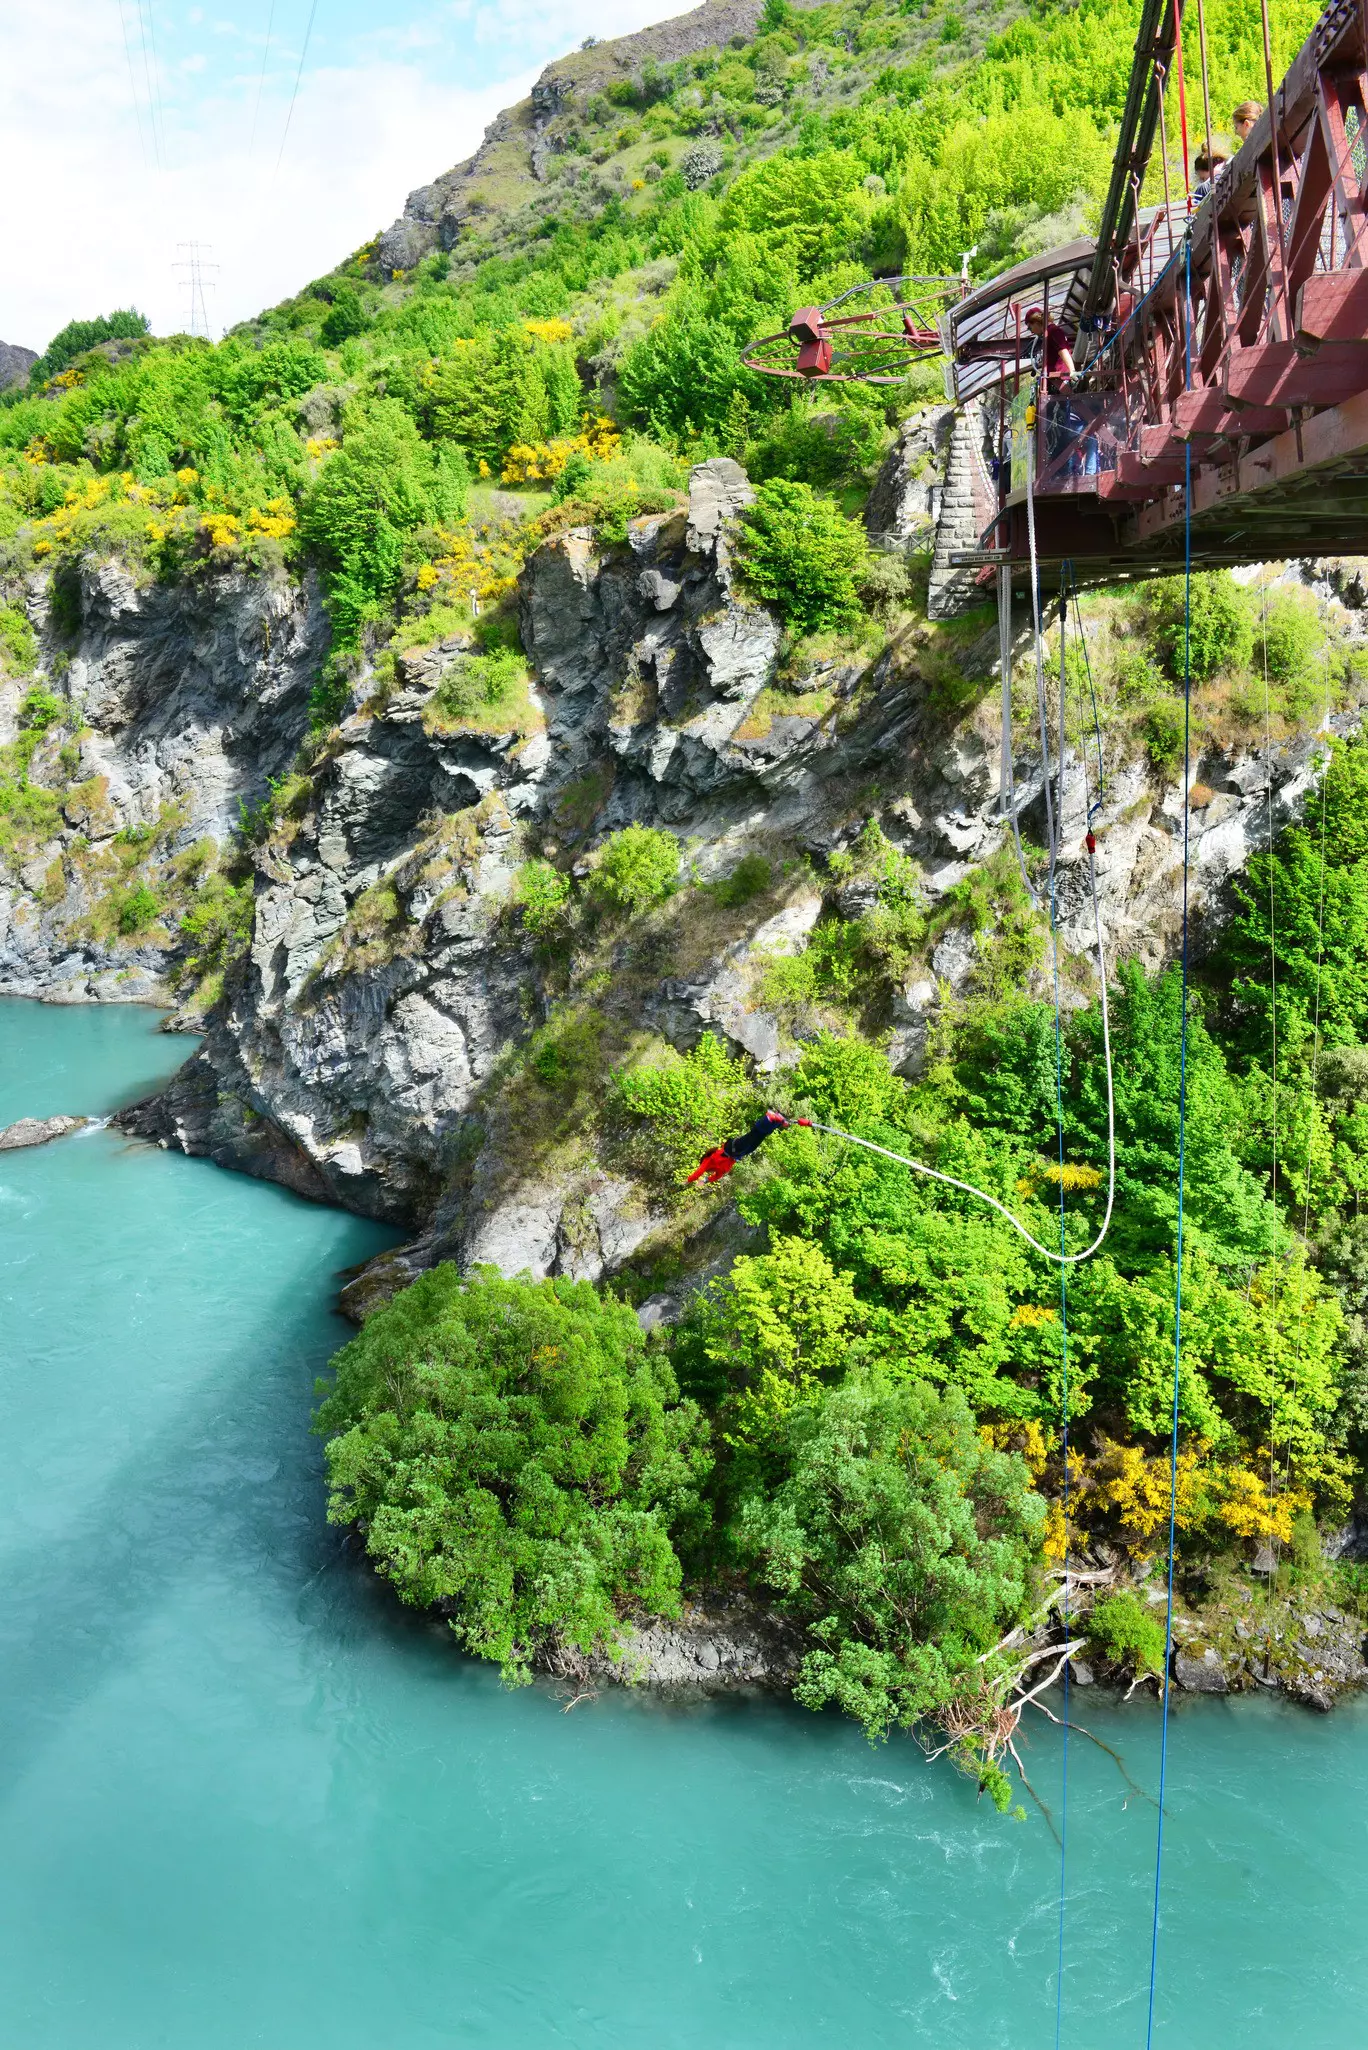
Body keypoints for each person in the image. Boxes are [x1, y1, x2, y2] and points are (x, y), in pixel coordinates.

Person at [686, 1109, 793, 1186]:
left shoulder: (707, 1161)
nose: (709, 1173)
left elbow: (698, 1172)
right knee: (759, 1138)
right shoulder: (718, 1171)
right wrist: (705, 1181)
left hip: (732, 1148)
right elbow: (716, 1177)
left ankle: (769, 1117)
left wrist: (688, 1180)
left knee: (753, 1135)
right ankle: (776, 1122)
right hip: (739, 1153)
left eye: (708, 1173)